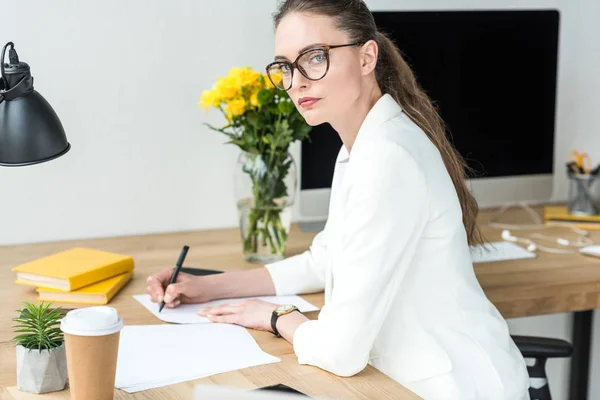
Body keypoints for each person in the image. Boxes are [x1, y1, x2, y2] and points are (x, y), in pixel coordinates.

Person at [146, 1, 530, 399]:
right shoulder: (361, 146)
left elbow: (340, 351)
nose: (297, 82)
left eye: (314, 58)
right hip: (399, 379)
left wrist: (277, 317)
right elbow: (325, 259)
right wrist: (210, 287)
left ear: (367, 57)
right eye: (285, 66)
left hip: (454, 387)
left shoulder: (387, 158)